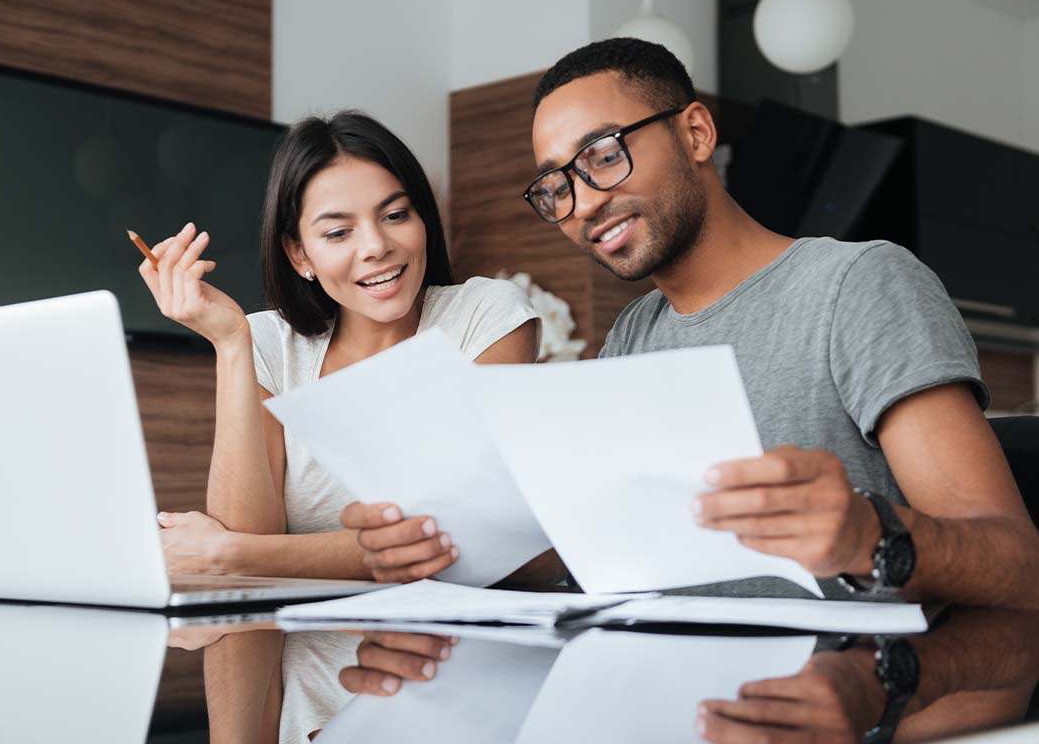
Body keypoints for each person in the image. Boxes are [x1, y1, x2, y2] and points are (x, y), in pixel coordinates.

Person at [515, 36, 1039, 606]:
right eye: (556, 188)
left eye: (605, 155)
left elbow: (1016, 562)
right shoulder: (632, 333)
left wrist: (869, 535)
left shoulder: (858, 284)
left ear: (695, 133)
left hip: (846, 681)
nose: (583, 205)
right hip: (675, 680)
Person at [138, 111, 548, 733]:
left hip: (459, 701)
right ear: (299, 254)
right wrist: (229, 344)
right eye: (338, 232)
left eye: (394, 214)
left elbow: (455, 543)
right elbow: (248, 571)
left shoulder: (485, 317)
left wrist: (229, 554)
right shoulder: (269, 344)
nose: (376, 246)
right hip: (306, 715)